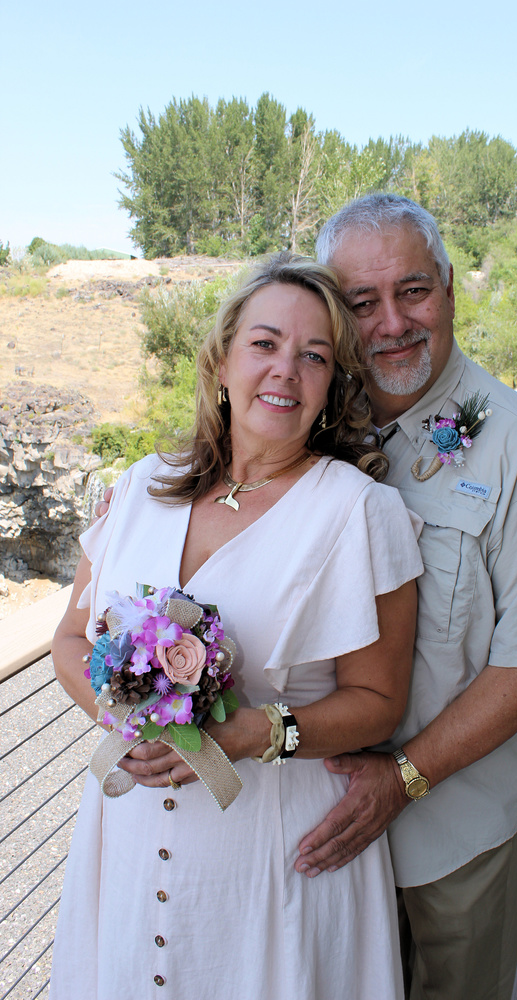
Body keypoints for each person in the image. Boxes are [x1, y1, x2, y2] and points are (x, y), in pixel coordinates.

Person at [50, 252, 423, 1000]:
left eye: (313, 356)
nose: (286, 369)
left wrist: (255, 734)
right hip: (124, 840)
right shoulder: (139, 487)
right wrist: (128, 717)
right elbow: (70, 640)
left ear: (329, 386)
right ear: (220, 361)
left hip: (273, 858)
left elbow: (379, 701)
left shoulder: (358, 512)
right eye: (264, 344)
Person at [288, 195, 517, 1000]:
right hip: (324, 822)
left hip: (454, 829)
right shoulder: (314, 433)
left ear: (448, 291)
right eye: (361, 302)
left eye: (413, 290)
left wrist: (399, 779)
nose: (392, 322)